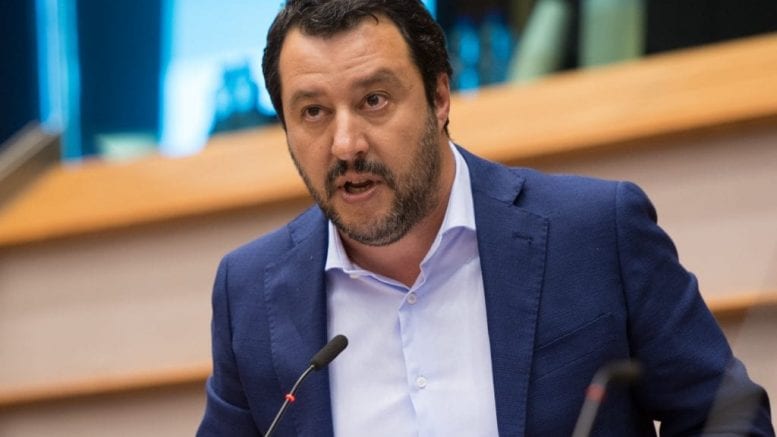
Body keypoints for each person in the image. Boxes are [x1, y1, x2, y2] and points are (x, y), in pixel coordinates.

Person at [197, 1, 774, 436]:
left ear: (439, 98)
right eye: (314, 112)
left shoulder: (595, 231)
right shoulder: (250, 293)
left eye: (374, 100)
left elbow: (728, 418)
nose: (346, 144)